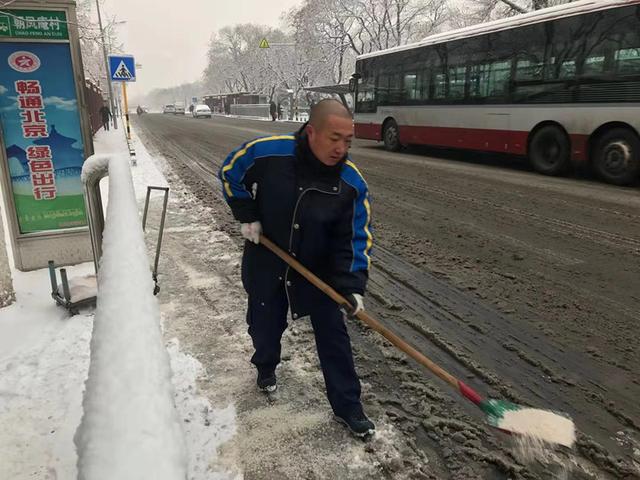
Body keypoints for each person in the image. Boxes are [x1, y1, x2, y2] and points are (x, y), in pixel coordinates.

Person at [219, 99, 374, 438]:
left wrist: (352, 285)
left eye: (348, 140)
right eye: (334, 138)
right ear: (311, 130)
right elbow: (231, 171)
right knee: (264, 323)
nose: (341, 148)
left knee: (334, 337)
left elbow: (356, 239)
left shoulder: (351, 183)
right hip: (268, 257)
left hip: (317, 271)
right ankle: (265, 364)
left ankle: (349, 408)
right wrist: (247, 214)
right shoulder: (267, 153)